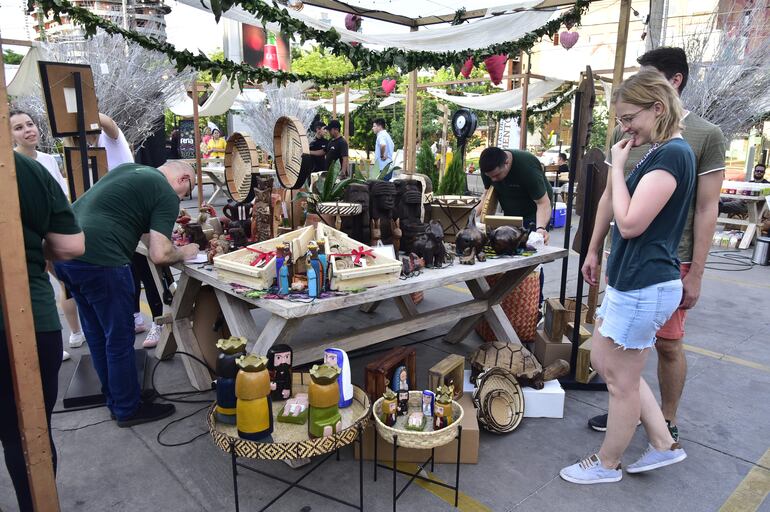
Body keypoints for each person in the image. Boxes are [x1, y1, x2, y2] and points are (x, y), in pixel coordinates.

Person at [560, 70, 695, 484]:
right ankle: (661, 442)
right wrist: (596, 248)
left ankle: (607, 464)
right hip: (633, 280)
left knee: (620, 381)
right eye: (619, 119)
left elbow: (632, 222)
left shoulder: (674, 154)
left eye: (628, 117)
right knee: (607, 363)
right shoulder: (658, 152)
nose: (624, 127)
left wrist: (617, 167)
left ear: (657, 107)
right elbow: (615, 208)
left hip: (645, 283)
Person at [587, 47, 727, 440]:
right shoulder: (631, 131)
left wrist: (696, 272)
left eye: (644, 79)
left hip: (669, 260)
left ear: (669, 87)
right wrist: (595, 247)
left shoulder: (701, 137)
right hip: (630, 260)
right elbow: (610, 197)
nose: (625, 125)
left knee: (665, 347)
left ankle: (665, 422)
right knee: (615, 357)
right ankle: (632, 416)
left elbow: (706, 208)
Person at [54, 161, 199, 427]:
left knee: (98, 335)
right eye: (187, 191)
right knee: (119, 339)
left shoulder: (131, 171)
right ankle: (127, 409)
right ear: (184, 179)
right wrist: (186, 251)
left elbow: (145, 235)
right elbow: (159, 254)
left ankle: (119, 397)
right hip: (103, 262)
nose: (182, 198)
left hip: (68, 256)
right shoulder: (165, 192)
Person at [1, 152, 84, 511]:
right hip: (26, 319)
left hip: (26, 321)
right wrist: (31, 248)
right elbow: (70, 246)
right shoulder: (25, 170)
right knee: (27, 435)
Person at [10, 109, 86, 360]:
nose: (28, 130)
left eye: (29, 124)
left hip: (57, 235)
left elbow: (61, 199)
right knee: (51, 286)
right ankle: (67, 335)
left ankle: (74, 331)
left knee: (66, 283)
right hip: (35, 241)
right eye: (18, 127)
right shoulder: (12, 166)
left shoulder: (48, 159)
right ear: (10, 135)